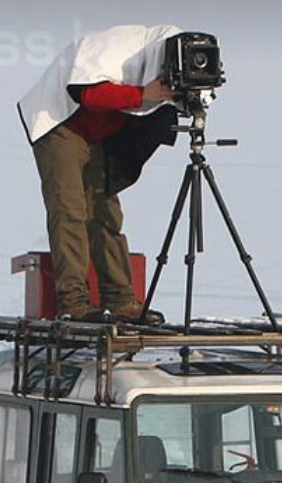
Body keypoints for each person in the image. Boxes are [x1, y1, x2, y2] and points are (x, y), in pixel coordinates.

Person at [18, 25, 184, 323]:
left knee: (105, 213)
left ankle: (120, 300)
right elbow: (87, 92)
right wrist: (142, 93)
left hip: (100, 133)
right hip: (60, 123)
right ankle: (73, 303)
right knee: (70, 210)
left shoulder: (169, 60)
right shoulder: (117, 47)